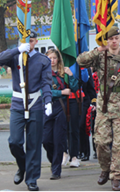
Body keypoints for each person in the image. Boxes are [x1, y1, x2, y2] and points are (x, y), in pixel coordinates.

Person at [76, 26, 120, 192]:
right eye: (110, 39)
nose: (113, 41)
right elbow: (80, 61)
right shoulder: (100, 56)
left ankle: (116, 177)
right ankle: (105, 168)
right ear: (107, 40)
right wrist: (98, 50)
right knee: (101, 142)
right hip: (104, 107)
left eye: (116, 38)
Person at [0, 30, 52, 192]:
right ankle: (22, 166)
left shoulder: (43, 60)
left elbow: (46, 83)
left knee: (34, 144)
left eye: (33, 41)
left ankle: (32, 179)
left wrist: (48, 101)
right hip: (18, 104)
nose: (31, 43)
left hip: (35, 104)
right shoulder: (15, 56)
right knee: (14, 141)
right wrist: (17, 49)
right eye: (28, 41)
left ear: (36, 42)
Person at [43, 49, 78, 180]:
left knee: (59, 140)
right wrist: (61, 92)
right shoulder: (44, 73)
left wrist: (71, 75)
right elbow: (44, 91)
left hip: (61, 108)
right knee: (46, 140)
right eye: (49, 58)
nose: (52, 60)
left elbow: (74, 88)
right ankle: (54, 160)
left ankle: (56, 170)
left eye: (54, 58)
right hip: (47, 106)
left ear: (58, 59)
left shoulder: (63, 73)